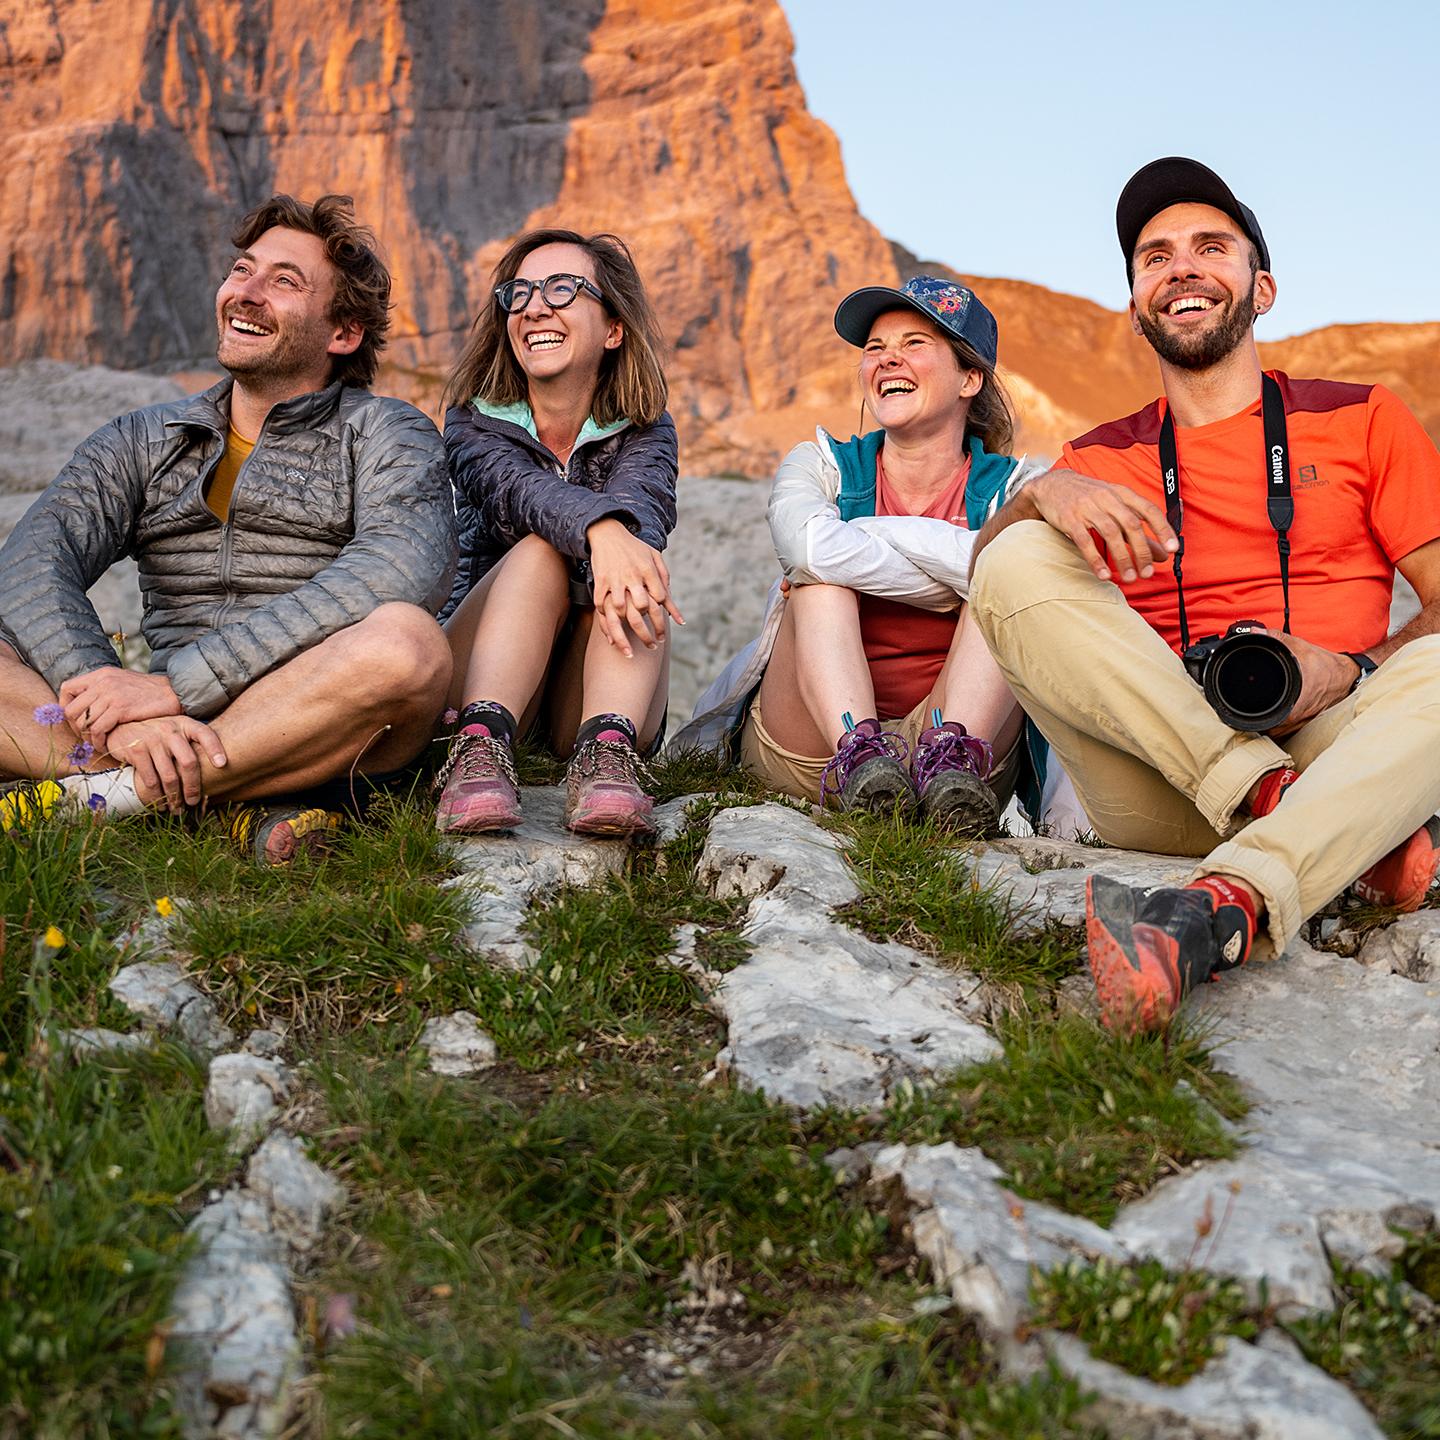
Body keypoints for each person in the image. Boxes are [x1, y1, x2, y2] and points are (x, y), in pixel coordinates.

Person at [968, 156, 1440, 1032]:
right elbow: (994, 589)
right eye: (1154, 257)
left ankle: (1216, 910)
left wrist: (1351, 669)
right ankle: (1299, 814)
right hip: (1163, 772)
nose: (1181, 267)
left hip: (1331, 738)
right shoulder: (1098, 458)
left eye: (1210, 247)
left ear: (1261, 289)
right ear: (1136, 308)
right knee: (1012, 558)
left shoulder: (1364, 416)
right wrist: (1038, 496)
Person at [0, 194, 457, 862]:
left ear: (343, 333)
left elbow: (403, 567)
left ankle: (112, 793)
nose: (246, 293)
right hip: (146, 724)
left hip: (305, 714)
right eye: (242, 271)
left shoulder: (387, 430)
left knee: (408, 646)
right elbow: (33, 561)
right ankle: (186, 788)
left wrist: (175, 688)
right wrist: (114, 705)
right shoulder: (143, 438)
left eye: (283, 282)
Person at [677, 275, 1048, 830]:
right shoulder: (819, 462)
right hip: (815, 746)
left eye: (915, 344)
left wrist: (871, 533)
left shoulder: (1019, 486)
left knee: (1001, 591)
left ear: (971, 377)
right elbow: (806, 548)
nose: (887, 361)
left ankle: (951, 759)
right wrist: (959, 579)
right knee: (821, 581)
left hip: (958, 756)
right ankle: (862, 755)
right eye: (875, 349)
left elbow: (1022, 581)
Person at [437, 229, 679, 838]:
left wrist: (620, 537)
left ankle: (606, 759)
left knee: (638, 559)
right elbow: (519, 492)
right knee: (543, 548)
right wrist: (600, 527)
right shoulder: (472, 421)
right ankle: (477, 751)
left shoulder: (647, 427)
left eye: (563, 289)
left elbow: (644, 509)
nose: (535, 306)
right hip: (481, 668)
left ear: (614, 328)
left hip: (586, 684)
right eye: (518, 293)